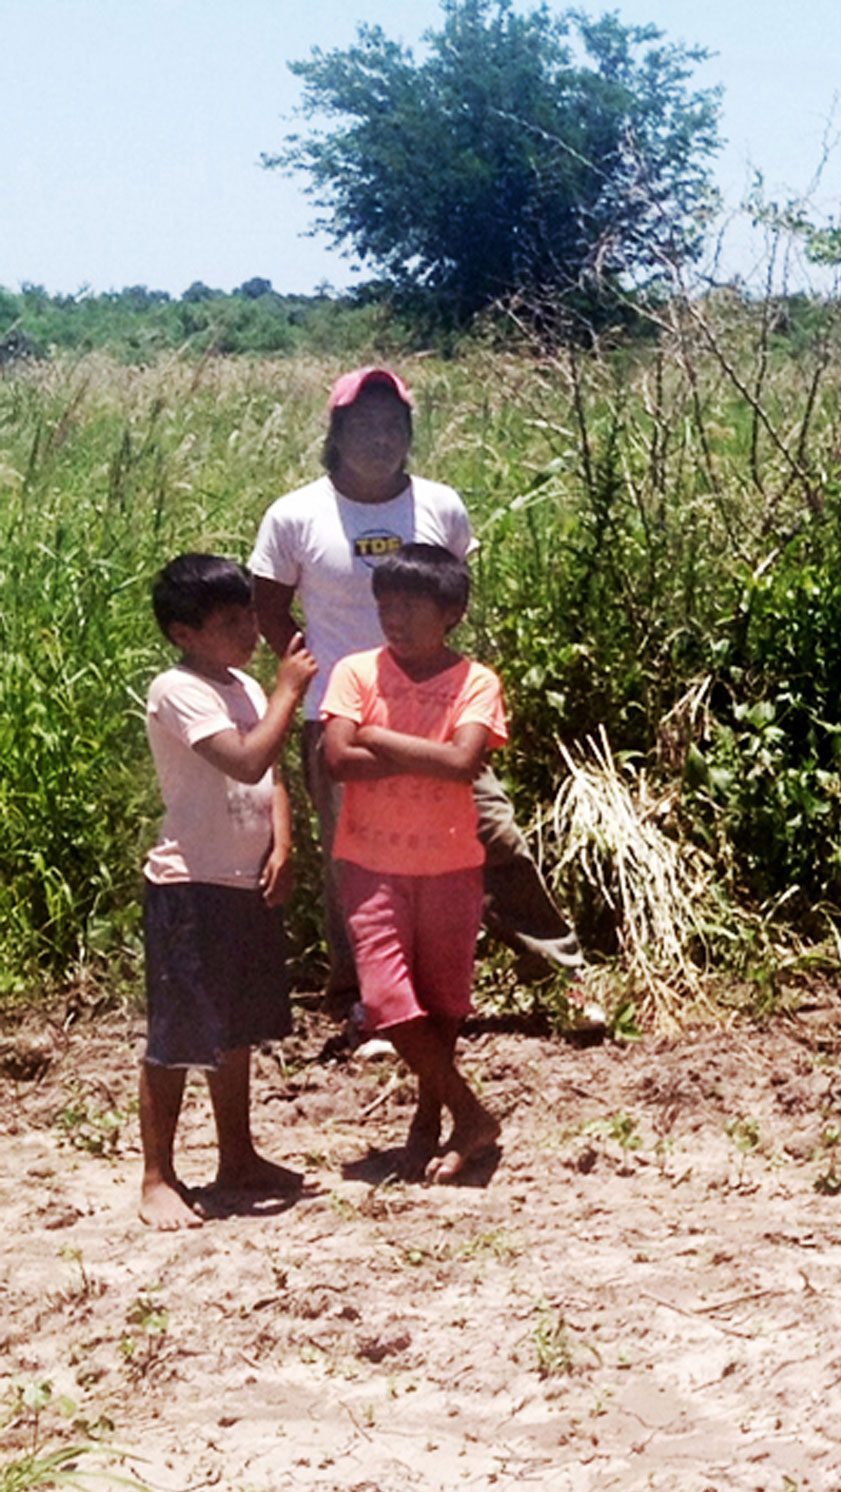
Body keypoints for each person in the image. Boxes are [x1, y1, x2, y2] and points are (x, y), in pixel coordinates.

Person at [250, 367, 598, 1030]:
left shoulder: (441, 506)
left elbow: (453, 593)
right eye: (363, 424)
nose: (379, 437)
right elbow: (270, 609)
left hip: (442, 713)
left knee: (490, 833)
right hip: (343, 716)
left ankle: (564, 977)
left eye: (393, 424)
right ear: (336, 431)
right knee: (354, 858)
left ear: (409, 433)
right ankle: (367, 1001)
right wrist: (327, 680)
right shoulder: (295, 513)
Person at [316, 544, 508, 1183]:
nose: (392, 616)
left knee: (442, 1002)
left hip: (451, 863)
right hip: (371, 863)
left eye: (409, 604)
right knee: (386, 1000)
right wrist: (425, 750)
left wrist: (377, 736)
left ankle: (431, 1124)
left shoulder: (476, 681)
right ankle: (473, 1113)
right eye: (384, 603)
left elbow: (464, 764)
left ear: (450, 612)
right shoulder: (356, 672)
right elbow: (337, 760)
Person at [136, 555, 317, 1229]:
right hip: (191, 885)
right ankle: (157, 1175)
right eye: (229, 622)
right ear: (184, 633)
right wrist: (289, 693)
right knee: (180, 1034)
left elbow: (270, 778)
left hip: (245, 881)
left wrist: (285, 844)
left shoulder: (243, 683)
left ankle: (236, 1155)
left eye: (248, 615)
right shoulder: (178, 689)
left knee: (236, 1028)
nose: (248, 630)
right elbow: (244, 757)